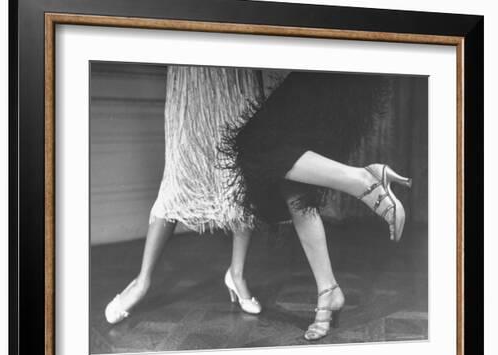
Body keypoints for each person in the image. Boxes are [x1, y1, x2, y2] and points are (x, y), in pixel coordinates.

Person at [218, 70, 412, 340]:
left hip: (338, 65)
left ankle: (362, 181)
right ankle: (328, 290)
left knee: (256, 145)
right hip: (330, 67)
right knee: (294, 185)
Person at [104, 65, 266, 324]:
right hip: (194, 72)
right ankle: (142, 281)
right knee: (179, 178)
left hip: (238, 71)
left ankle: (237, 274)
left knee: (243, 173)